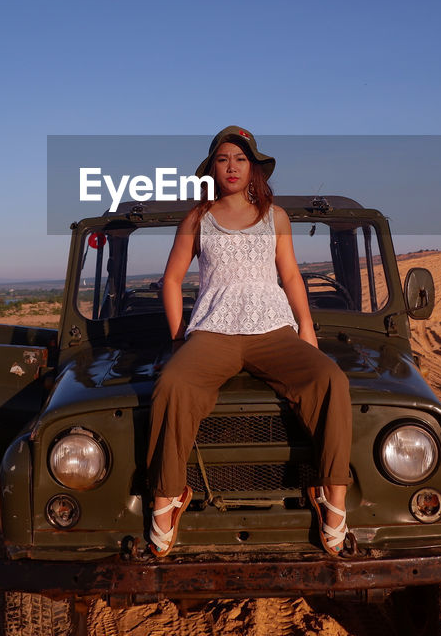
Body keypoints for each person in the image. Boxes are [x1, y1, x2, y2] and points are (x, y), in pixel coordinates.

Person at [145, 126, 352, 558]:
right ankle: (167, 496)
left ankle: (332, 496)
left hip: (272, 330)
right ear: (212, 169)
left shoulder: (275, 217)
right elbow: (171, 279)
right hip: (213, 331)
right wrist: (178, 336)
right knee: (172, 384)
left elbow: (291, 275)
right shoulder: (197, 219)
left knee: (330, 378)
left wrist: (306, 327)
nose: (232, 167)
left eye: (240, 159)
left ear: (254, 167)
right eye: (223, 159)